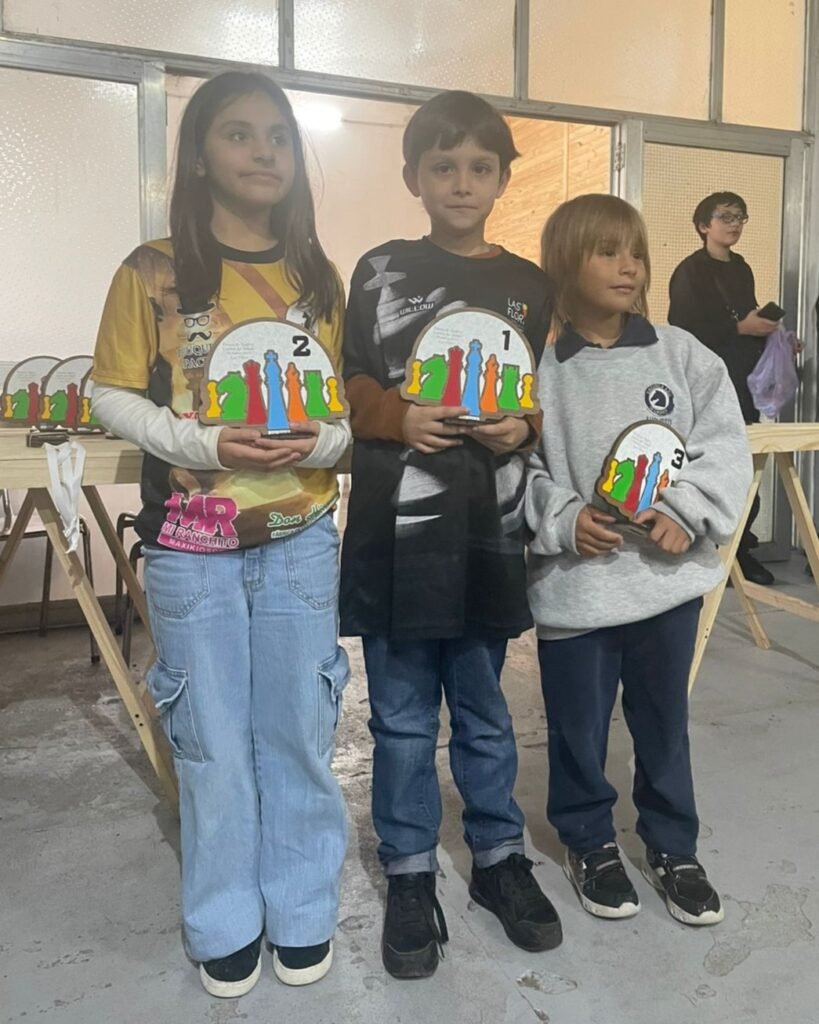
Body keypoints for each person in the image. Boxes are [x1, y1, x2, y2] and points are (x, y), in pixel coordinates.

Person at [91, 72, 351, 998]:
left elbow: (344, 419)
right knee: (208, 738)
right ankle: (224, 916)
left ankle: (303, 907)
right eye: (238, 134)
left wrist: (320, 441)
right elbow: (109, 391)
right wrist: (201, 443)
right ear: (199, 154)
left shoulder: (317, 278)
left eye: (278, 135)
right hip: (188, 542)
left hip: (301, 535)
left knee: (297, 728)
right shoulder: (152, 271)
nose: (263, 151)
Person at [340, 90, 562, 979]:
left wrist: (524, 427)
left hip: (487, 535)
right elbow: (348, 381)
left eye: (479, 167)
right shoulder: (379, 270)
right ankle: (407, 870)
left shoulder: (530, 286)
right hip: (395, 537)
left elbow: (537, 392)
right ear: (413, 178)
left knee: (483, 709)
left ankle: (498, 857)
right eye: (443, 167)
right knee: (399, 719)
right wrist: (395, 415)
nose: (461, 183)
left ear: (503, 178)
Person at [527, 194, 752, 927]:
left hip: (665, 588)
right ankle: (588, 841)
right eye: (607, 251)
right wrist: (562, 519)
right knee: (577, 730)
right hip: (575, 590)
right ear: (565, 264)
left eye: (636, 252)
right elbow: (517, 468)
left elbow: (725, 444)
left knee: (662, 725)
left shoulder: (682, 354)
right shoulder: (539, 370)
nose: (629, 267)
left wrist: (688, 511)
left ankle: (672, 845)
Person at [668, 191, 778, 585]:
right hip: (704, 382)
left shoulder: (742, 268)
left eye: (740, 217)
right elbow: (682, 329)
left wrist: (773, 336)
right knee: (705, 463)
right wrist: (738, 327)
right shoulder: (690, 271)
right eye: (725, 216)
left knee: (742, 464)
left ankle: (740, 551)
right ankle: (706, 547)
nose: (734, 224)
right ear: (704, 225)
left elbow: (746, 316)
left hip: (742, 380)